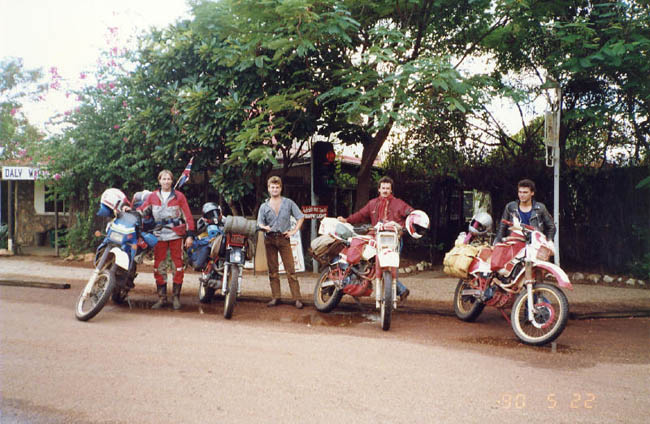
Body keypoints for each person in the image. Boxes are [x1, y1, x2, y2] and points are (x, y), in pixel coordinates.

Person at [337, 176, 414, 302]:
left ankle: (398, 289)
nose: (385, 190)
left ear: (391, 190)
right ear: (378, 189)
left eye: (387, 188)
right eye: (383, 188)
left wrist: (410, 223)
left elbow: (411, 213)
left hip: (394, 239)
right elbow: (360, 215)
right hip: (376, 238)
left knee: (391, 264)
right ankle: (396, 289)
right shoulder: (373, 203)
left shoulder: (399, 203)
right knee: (365, 259)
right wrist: (347, 220)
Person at [138, 170, 195, 310]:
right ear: (159, 181)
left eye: (169, 179)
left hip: (175, 234)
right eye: (164, 179)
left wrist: (190, 235)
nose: (166, 181)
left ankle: (176, 297)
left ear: (172, 181)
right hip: (159, 235)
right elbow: (142, 210)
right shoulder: (152, 196)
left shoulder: (179, 196)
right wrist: (130, 210)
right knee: (159, 266)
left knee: (178, 265)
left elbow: (188, 216)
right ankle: (162, 298)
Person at [257, 176, 305, 309]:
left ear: (281, 188)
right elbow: (259, 222)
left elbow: (300, 217)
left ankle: (297, 298)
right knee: (273, 270)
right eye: (272, 187)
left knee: (291, 270)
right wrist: (264, 227)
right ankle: (275, 297)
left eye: (277, 187)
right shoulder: (264, 206)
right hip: (270, 239)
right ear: (268, 189)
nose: (275, 189)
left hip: (284, 239)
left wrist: (294, 231)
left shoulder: (288, 203)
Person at [494, 178, 556, 244]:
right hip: (514, 243)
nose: (522, 195)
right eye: (520, 192)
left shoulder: (540, 208)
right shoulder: (510, 207)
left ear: (532, 193)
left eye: (525, 192)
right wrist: (498, 243)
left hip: (534, 245)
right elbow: (502, 227)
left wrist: (548, 242)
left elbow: (551, 227)